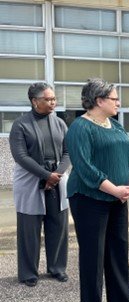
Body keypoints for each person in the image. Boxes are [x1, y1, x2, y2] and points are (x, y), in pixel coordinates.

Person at [66, 78, 129, 302]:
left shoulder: (115, 125)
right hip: (89, 198)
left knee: (118, 250)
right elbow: (84, 167)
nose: (118, 103)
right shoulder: (80, 127)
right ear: (99, 100)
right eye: (114, 99)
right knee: (94, 255)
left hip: (117, 197)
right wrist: (114, 188)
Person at [9, 82, 70, 287]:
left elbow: (68, 152)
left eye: (54, 99)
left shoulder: (60, 123)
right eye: (48, 99)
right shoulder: (21, 124)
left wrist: (57, 174)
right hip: (30, 181)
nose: (53, 102)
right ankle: (28, 273)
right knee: (29, 228)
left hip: (57, 181)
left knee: (58, 224)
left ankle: (57, 268)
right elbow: (20, 156)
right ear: (35, 101)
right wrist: (45, 175)